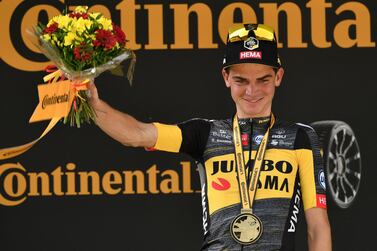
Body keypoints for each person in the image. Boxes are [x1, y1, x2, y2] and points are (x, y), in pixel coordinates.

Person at [88, 23, 332, 251]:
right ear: (226, 77)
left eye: (263, 80)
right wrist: (92, 103)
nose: (252, 91)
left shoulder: (301, 138)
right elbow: (137, 134)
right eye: (241, 80)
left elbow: (318, 228)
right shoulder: (204, 134)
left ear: (278, 77)